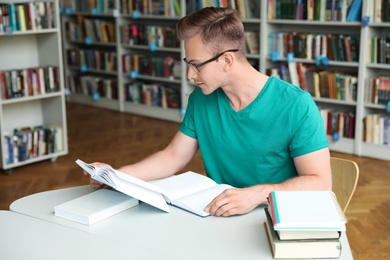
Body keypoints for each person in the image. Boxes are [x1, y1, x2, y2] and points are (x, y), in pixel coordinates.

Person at [85, 7, 332, 217]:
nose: (191, 75)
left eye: (196, 65)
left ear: (226, 61)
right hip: (219, 213)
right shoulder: (201, 99)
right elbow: (172, 157)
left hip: (274, 214)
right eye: (188, 64)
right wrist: (117, 175)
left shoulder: (296, 104)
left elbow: (321, 183)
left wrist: (255, 195)